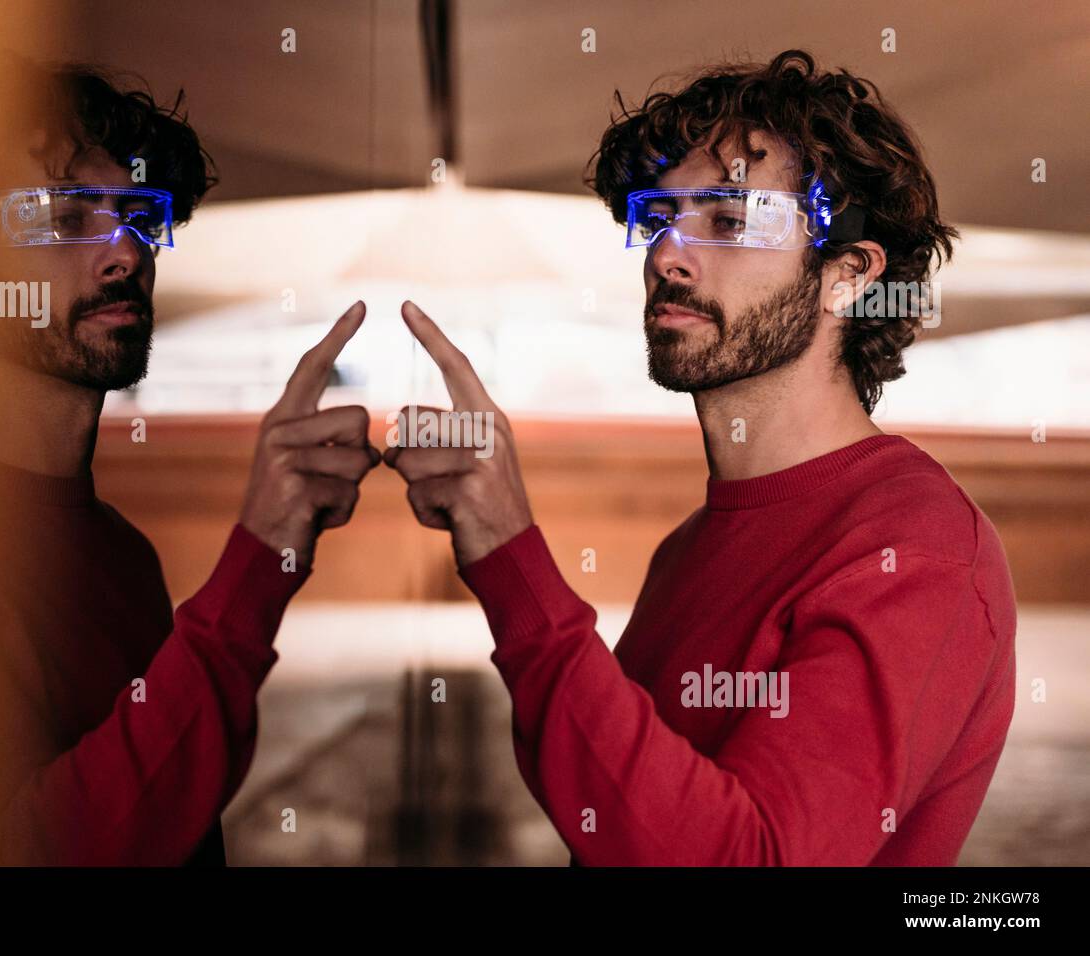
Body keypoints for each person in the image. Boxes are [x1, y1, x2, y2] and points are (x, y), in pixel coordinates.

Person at [385, 50, 1017, 865]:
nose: (667, 256)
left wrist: (515, 566)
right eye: (660, 218)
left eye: (731, 220)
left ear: (849, 277)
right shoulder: (687, 549)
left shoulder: (915, 550)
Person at [0, 62, 378, 865]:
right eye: (66, 215)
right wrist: (254, 567)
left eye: (139, 216)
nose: (124, 252)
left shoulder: (122, 554)